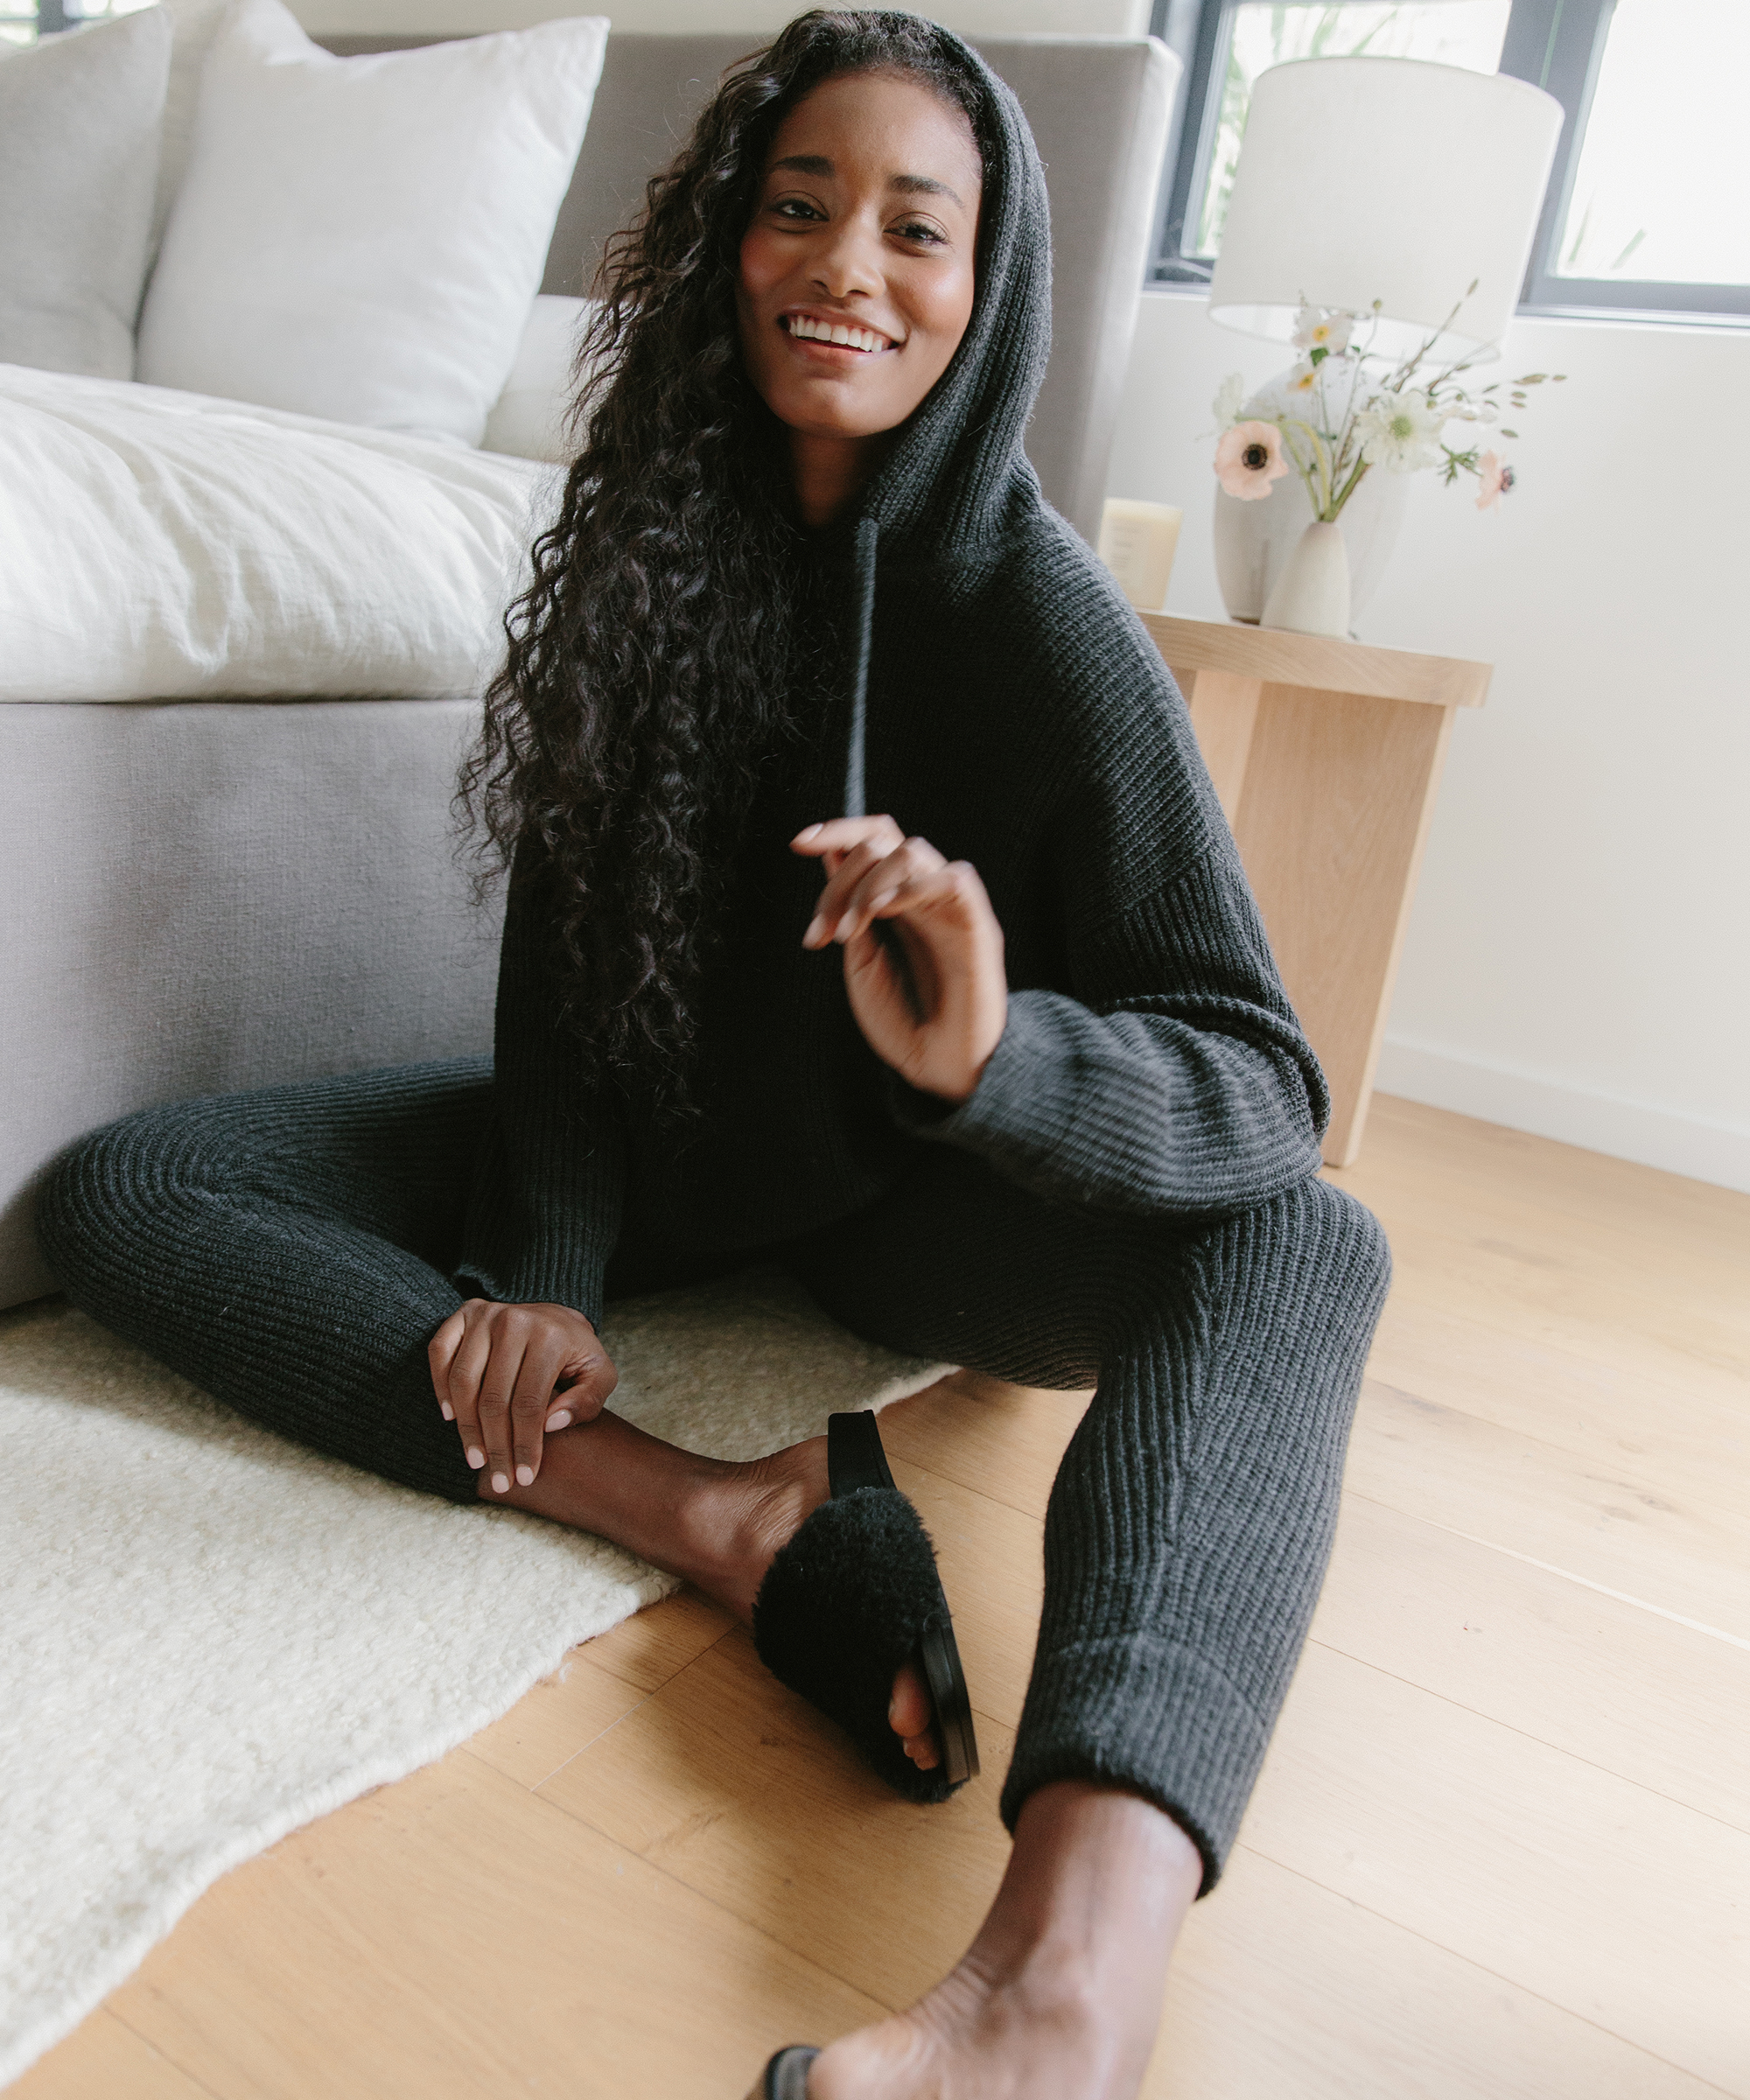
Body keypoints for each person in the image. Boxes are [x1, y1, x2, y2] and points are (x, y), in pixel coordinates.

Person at [38, 12, 1391, 2096]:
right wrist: (550, 1277)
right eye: (799, 202)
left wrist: (994, 1056)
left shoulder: (1045, 630)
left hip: (918, 1211)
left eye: (912, 228)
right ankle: (733, 1520)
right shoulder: (638, 546)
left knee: (1305, 1241)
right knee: (135, 1190)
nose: (847, 261)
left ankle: (1064, 1986)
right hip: (678, 1162)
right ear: (725, 245)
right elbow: (568, 995)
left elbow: (1257, 1079)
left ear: (983, 286)